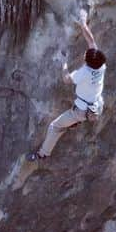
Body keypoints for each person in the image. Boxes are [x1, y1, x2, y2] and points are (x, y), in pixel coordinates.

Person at [28, 19, 106, 161]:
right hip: (96, 105)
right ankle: (76, 122)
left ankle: (42, 154)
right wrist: (83, 23)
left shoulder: (84, 72)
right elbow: (91, 40)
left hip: (81, 111)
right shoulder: (101, 66)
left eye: (86, 55)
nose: (85, 53)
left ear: (88, 62)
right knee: (77, 112)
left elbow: (66, 79)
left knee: (54, 126)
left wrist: (64, 63)